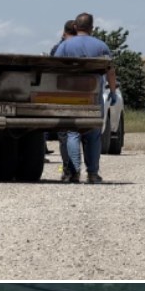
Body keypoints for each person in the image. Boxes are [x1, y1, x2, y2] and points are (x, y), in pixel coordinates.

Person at [53, 13, 119, 184]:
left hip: (70, 96)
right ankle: (92, 173)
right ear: (92, 28)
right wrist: (112, 92)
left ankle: (74, 172)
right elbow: (110, 71)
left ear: (76, 27)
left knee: (72, 132)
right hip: (93, 95)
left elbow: (53, 68)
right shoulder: (101, 46)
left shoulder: (65, 46)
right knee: (93, 134)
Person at [49, 20, 79, 181]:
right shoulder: (84, 47)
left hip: (62, 95)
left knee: (65, 135)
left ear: (64, 32)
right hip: (83, 96)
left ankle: (68, 169)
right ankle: (90, 171)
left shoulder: (58, 49)